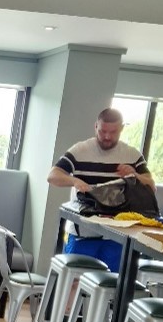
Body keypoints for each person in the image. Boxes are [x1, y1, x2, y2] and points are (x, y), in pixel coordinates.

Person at [47, 107, 155, 271]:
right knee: (74, 280)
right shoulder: (80, 150)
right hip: (83, 232)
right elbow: (53, 176)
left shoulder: (132, 154)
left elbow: (151, 186)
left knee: (112, 282)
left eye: (113, 132)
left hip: (117, 234)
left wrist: (135, 175)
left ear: (122, 129)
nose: (107, 136)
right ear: (95, 126)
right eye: (103, 131)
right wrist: (74, 180)